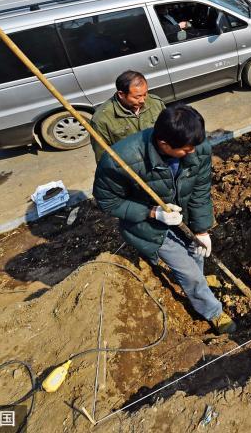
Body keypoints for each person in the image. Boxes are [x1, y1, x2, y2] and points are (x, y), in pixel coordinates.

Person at [93, 105, 236, 335]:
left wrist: (201, 230)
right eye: (186, 149)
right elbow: (107, 202)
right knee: (188, 273)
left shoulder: (197, 149)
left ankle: (198, 280)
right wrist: (152, 213)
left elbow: (200, 190)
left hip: (184, 216)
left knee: (196, 254)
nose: (193, 152)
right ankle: (213, 312)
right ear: (164, 144)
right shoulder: (121, 160)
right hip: (148, 225)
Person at [90, 71, 165, 164]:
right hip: (130, 167)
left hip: (160, 161)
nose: (142, 100)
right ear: (121, 94)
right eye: (137, 97)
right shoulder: (101, 119)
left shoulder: (156, 103)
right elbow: (103, 157)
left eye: (145, 94)